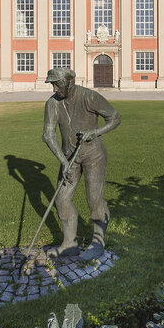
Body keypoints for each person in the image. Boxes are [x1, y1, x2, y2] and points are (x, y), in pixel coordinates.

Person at [42, 67, 120, 260]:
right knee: (61, 199)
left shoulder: (89, 97)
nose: (54, 88)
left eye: (57, 84)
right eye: (52, 84)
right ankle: (70, 243)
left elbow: (115, 118)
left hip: (94, 155)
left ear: (70, 82)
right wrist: (63, 161)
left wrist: (95, 132)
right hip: (69, 158)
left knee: (94, 199)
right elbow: (48, 135)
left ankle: (97, 242)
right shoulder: (52, 103)